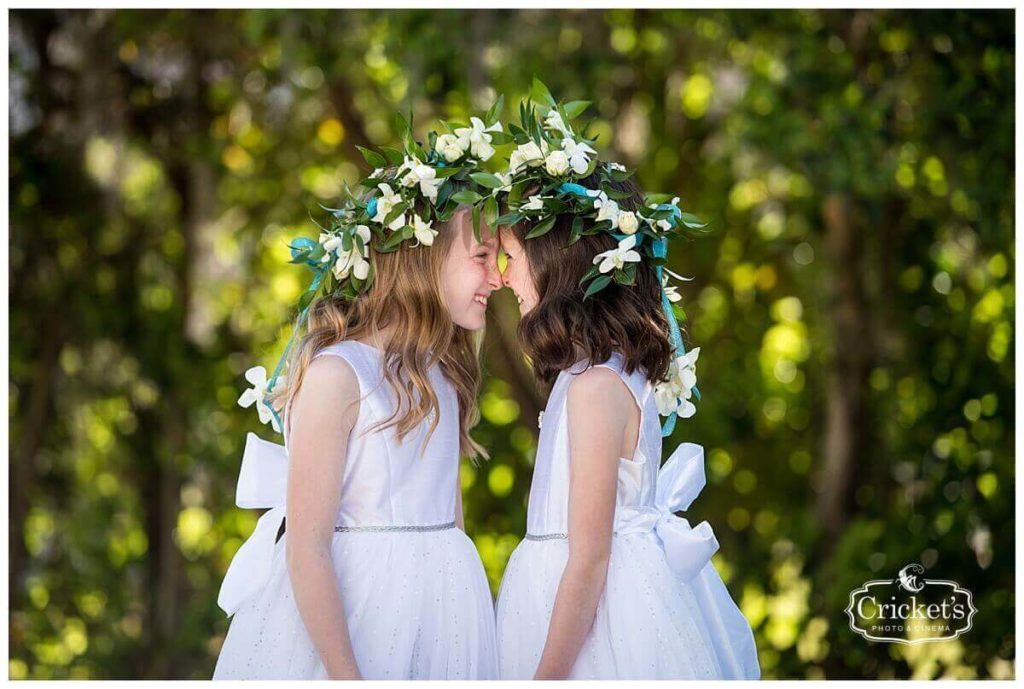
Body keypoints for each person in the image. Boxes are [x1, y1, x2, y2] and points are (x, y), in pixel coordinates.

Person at [213, 112, 504, 679]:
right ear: (422, 256)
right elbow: (307, 549)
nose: (496, 276)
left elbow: (453, 522)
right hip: (362, 615)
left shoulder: (443, 372)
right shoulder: (337, 376)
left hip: (447, 613)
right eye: (480, 256)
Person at [492, 91, 761, 680]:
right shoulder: (595, 373)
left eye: (512, 258)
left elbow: (588, 558)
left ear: (555, 261)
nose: (503, 276)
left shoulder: (594, 386)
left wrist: (547, 676)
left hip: (596, 619)